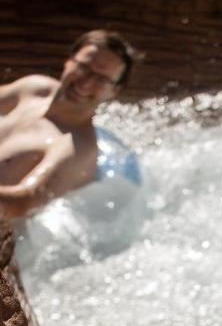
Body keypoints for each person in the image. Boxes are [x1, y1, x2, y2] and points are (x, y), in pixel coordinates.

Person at [0, 30, 136, 220]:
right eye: (84, 67)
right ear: (69, 60)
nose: (86, 83)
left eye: (101, 79)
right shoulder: (33, 89)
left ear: (115, 91)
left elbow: (23, 202)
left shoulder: (76, 147)